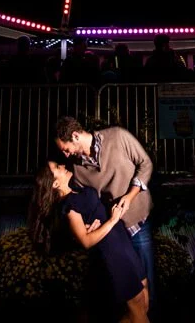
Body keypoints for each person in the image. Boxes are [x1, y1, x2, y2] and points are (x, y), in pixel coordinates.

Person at [55, 116, 155, 311]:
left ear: (75, 136)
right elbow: (86, 201)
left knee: (147, 284)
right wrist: (86, 225)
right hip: (115, 232)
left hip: (138, 221)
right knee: (130, 297)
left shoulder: (118, 137)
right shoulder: (77, 169)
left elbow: (146, 164)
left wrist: (130, 196)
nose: (65, 156)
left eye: (65, 149)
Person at [30, 161, 149, 322]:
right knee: (137, 306)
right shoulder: (68, 206)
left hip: (122, 240)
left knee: (144, 301)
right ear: (55, 183)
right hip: (112, 251)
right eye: (58, 168)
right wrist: (113, 220)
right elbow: (85, 241)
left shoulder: (77, 190)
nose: (63, 166)